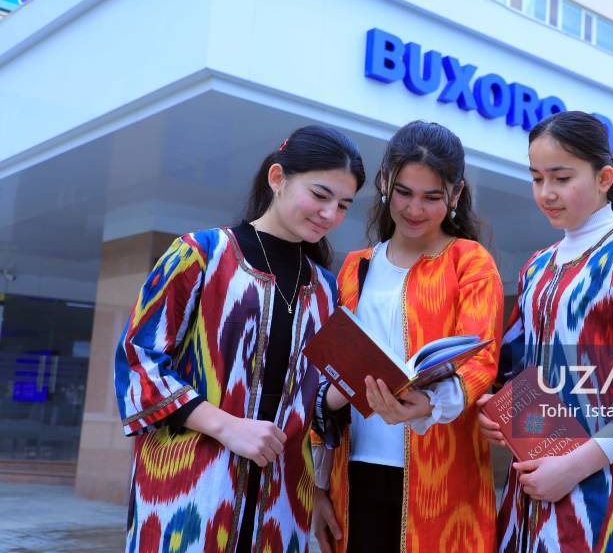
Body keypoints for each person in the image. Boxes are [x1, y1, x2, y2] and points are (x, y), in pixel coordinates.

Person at [113, 125, 365, 552]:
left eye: (343, 205)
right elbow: (138, 362)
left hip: (283, 507)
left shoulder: (326, 288)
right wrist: (228, 427)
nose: (330, 215)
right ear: (278, 178)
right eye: (320, 195)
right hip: (186, 497)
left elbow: (316, 399)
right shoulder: (201, 254)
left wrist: (364, 386)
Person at [478, 110, 613, 552]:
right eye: (537, 178)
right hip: (530, 486)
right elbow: (514, 370)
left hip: (604, 494)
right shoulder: (537, 266)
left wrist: (571, 468)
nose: (546, 193)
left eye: (561, 178)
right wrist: (492, 410)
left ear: (604, 178)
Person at [311, 120, 503, 553]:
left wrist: (431, 402)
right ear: (384, 182)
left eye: (432, 197)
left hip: (443, 481)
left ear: (455, 194)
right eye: (404, 192)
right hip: (353, 471)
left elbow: (481, 360)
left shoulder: (469, 262)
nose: (415, 209)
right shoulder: (355, 266)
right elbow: (329, 372)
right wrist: (319, 486)